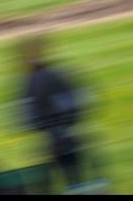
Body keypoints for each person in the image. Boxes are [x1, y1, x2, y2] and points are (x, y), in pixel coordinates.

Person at [16, 33, 86, 192]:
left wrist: (42, 127)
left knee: (50, 181)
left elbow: (26, 113)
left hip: (51, 138)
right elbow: (73, 100)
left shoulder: (28, 81)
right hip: (63, 135)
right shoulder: (57, 74)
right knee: (74, 177)